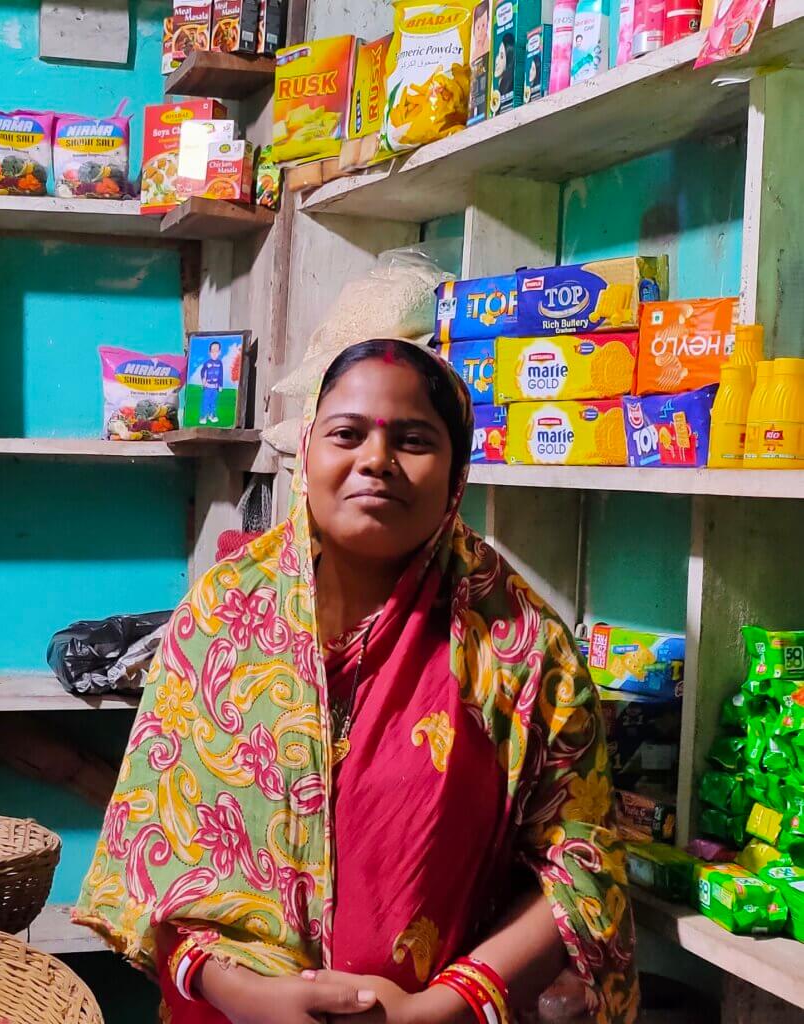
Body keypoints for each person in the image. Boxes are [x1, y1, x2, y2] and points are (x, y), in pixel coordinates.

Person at [75, 339, 638, 1024]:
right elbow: (149, 860)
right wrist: (246, 995)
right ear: (308, 450)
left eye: (413, 439)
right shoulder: (223, 615)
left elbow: (577, 864)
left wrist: (442, 1009)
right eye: (347, 434)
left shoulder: (520, 645)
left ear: (456, 471)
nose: (375, 460)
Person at [200, 340, 224, 424]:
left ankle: (212, 415)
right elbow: (202, 372)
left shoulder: (220, 363)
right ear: (209, 352)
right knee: (206, 401)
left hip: (215, 387)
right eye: (212, 351)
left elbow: (221, 374)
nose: (214, 353)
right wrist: (203, 381)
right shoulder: (207, 363)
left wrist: (220, 385)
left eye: (216, 351)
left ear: (219, 352)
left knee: (213, 402)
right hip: (208, 387)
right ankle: (203, 416)